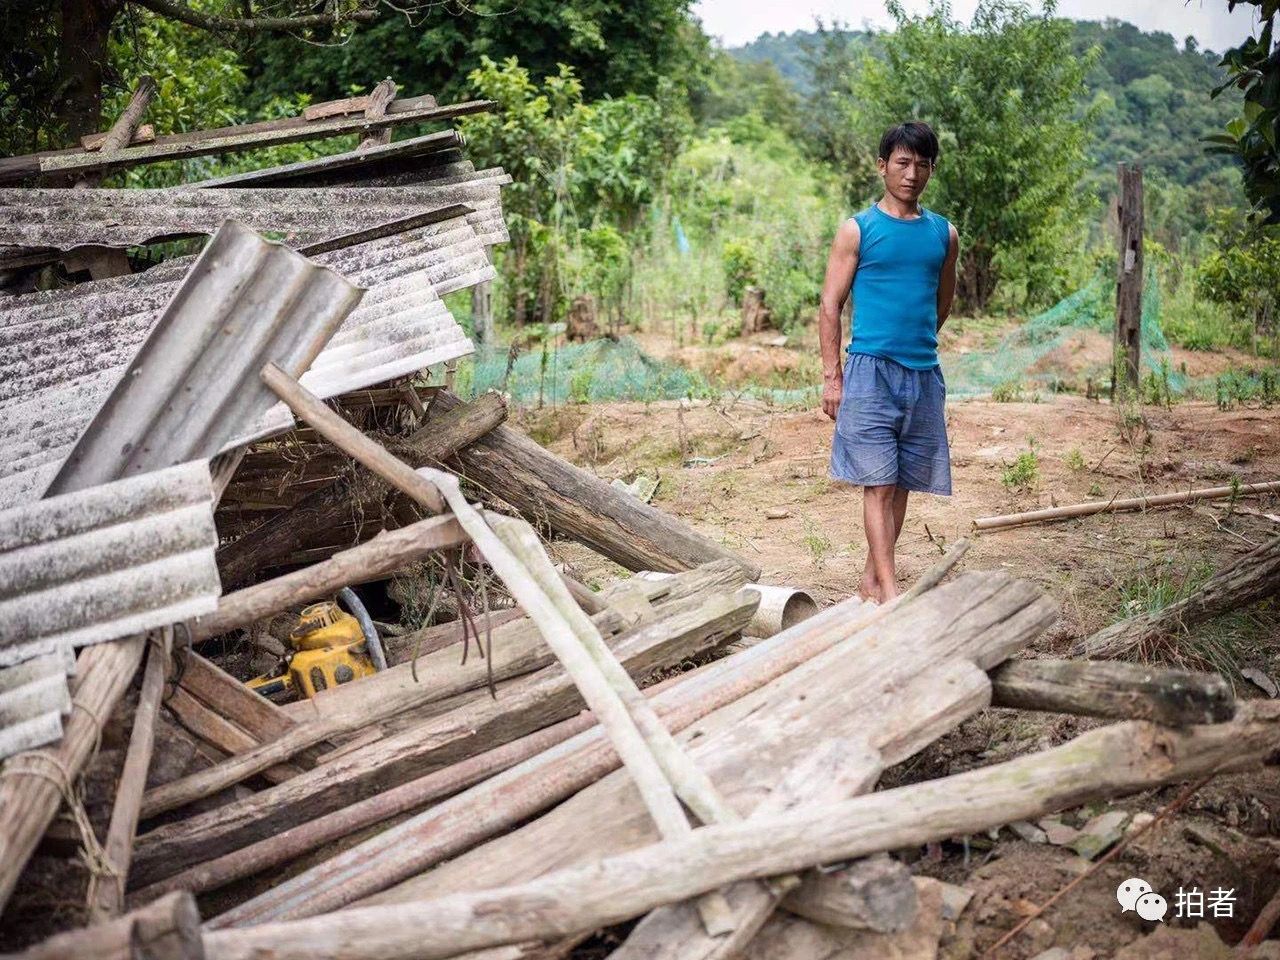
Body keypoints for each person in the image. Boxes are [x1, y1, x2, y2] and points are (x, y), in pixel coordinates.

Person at [817, 121, 959, 603]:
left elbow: (942, 304)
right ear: (882, 166)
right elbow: (830, 305)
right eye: (902, 162)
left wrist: (914, 345)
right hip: (868, 372)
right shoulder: (858, 230)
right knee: (877, 484)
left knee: (899, 484)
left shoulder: (944, 233)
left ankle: (870, 583)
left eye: (922, 164)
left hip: (922, 375)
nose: (911, 173)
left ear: (932, 170)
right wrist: (832, 378)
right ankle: (892, 593)